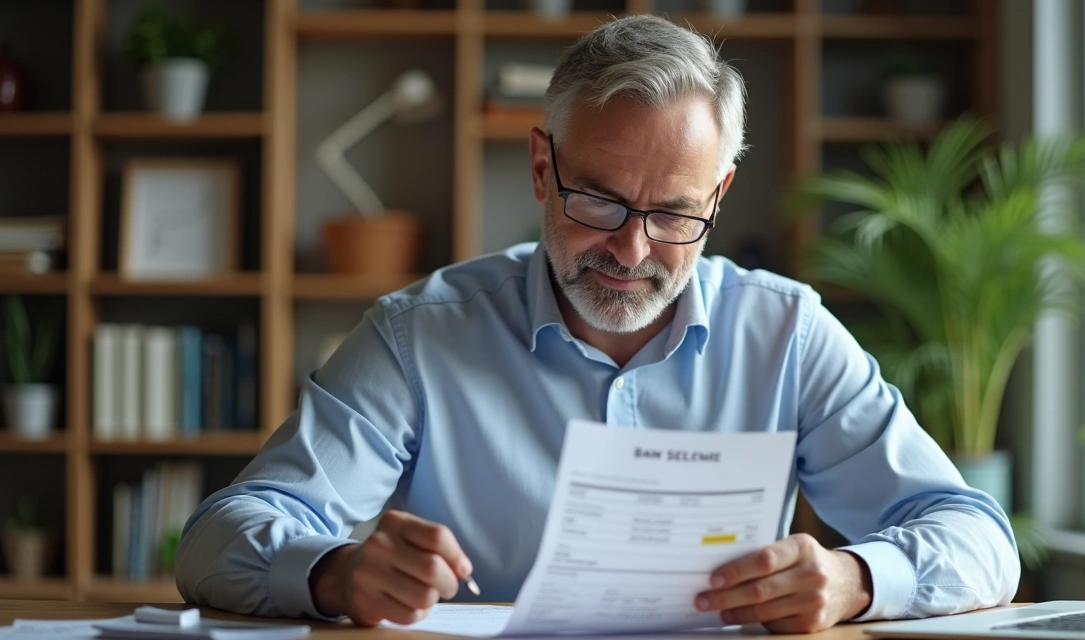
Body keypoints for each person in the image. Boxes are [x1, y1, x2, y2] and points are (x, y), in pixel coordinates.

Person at [176, 14, 1019, 634]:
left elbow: (979, 538)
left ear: (719, 197)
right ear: (543, 167)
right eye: (600, 200)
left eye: (675, 214)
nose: (631, 247)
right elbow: (217, 539)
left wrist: (854, 579)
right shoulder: (419, 336)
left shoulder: (787, 335)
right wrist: (336, 573)